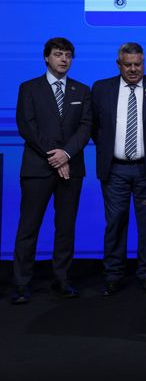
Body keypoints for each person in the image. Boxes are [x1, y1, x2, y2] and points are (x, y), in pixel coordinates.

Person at [11, 38, 92, 304]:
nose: (64, 59)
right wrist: (56, 156)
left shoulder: (82, 91)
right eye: (58, 54)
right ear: (46, 57)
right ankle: (22, 284)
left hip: (72, 168)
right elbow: (27, 127)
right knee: (28, 227)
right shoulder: (29, 88)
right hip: (37, 168)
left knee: (65, 227)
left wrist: (66, 153)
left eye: (68, 55)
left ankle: (62, 280)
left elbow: (85, 128)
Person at [91, 42, 146, 296]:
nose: (133, 69)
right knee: (114, 222)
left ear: (143, 63)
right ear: (119, 64)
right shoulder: (101, 88)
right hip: (114, 168)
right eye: (127, 64)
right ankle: (113, 274)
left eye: (137, 64)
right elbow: (95, 126)